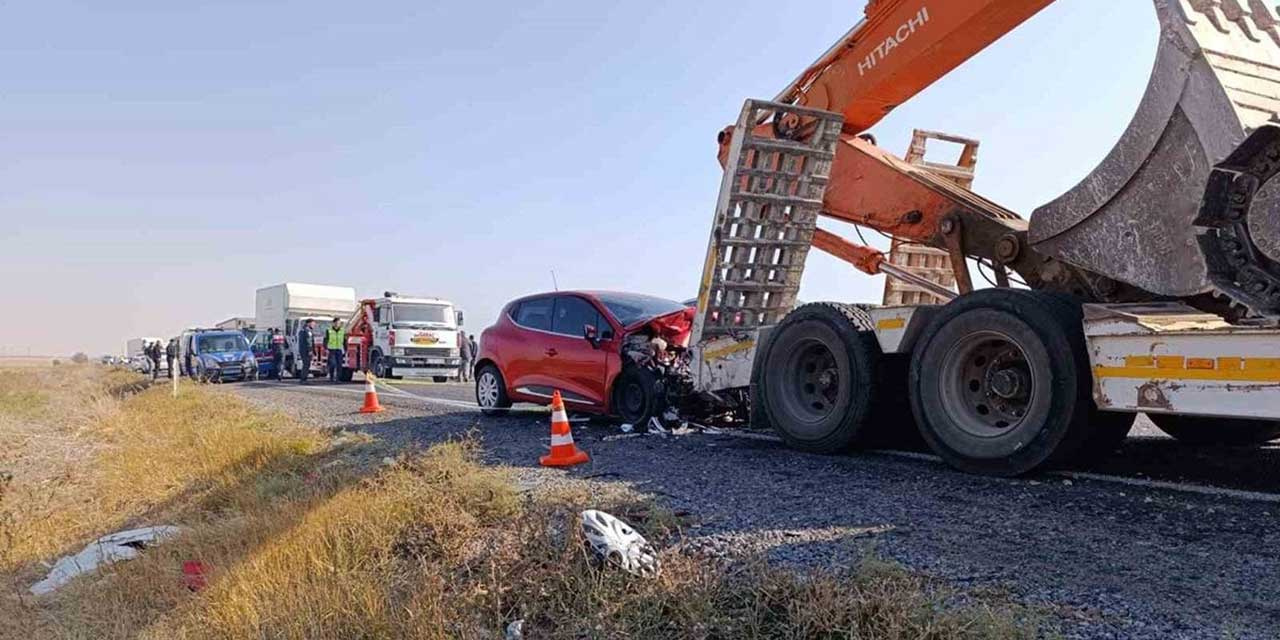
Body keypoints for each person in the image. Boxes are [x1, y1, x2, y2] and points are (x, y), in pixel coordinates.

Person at [325, 317, 345, 383]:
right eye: (336, 323)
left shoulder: (342, 330)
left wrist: (345, 349)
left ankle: (338, 379)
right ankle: (331, 378)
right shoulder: (329, 330)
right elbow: (325, 340)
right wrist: (326, 348)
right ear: (333, 323)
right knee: (333, 364)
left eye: (338, 323)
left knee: (339, 365)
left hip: (339, 349)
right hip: (331, 349)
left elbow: (345, 341)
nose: (337, 324)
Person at [297, 320, 316, 384]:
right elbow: (309, 341)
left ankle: (303, 378)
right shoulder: (307, 331)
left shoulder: (302, 330)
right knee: (306, 365)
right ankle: (303, 379)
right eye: (313, 323)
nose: (314, 325)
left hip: (303, 350)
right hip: (306, 351)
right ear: (308, 323)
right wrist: (310, 350)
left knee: (306, 364)